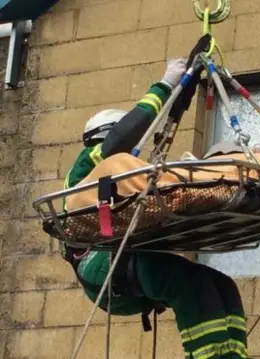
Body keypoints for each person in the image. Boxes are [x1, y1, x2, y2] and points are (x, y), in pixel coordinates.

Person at [60, 35, 249, 359]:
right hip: (102, 265)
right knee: (186, 285)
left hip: (130, 259)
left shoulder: (127, 173)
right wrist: (165, 85)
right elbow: (127, 133)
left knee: (219, 285)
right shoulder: (87, 166)